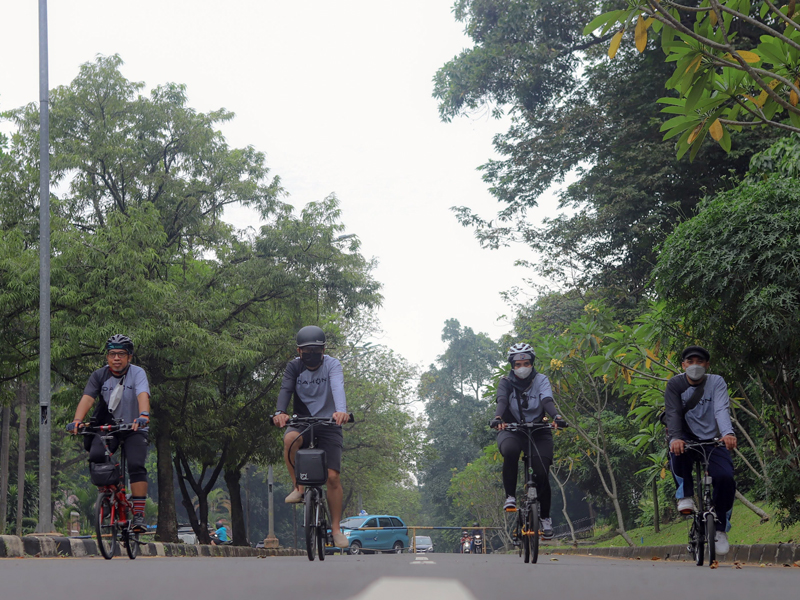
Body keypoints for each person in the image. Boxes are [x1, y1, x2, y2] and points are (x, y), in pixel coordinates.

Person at [272, 326, 350, 549]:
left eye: (317, 349)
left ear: (324, 349)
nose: (312, 353)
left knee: (333, 477)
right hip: (302, 420)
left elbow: (337, 388)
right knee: (289, 440)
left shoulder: (332, 365)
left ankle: (335, 529)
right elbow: (286, 389)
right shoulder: (294, 368)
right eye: (307, 350)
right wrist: (280, 413)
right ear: (299, 351)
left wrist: (341, 411)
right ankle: (298, 488)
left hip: (329, 422)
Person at [67, 334, 151, 532]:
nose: (116, 358)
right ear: (107, 357)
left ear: (129, 357)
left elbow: (142, 394)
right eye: (112, 354)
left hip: (134, 427)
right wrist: (77, 421)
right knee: (97, 456)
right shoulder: (99, 375)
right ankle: (108, 496)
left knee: (136, 465)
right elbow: (88, 398)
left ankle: (138, 514)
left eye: (121, 354)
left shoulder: (137, 373)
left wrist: (143, 415)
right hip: (110, 426)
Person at [665, 345, 737, 555]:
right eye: (690, 361)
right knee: (676, 450)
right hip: (685, 436)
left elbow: (721, 408)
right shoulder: (675, 384)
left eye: (699, 361)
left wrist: (728, 433)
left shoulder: (716, 382)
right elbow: (673, 413)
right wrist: (676, 437)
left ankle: (720, 528)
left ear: (706, 365)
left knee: (725, 477)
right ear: (683, 365)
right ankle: (685, 495)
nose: (694, 365)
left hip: (713, 438)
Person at [492, 342, 561, 540]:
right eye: (517, 364)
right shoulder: (505, 381)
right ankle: (510, 497)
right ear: (512, 366)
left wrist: (556, 417)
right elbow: (502, 401)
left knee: (541, 471)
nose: (522, 367)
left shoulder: (541, 380)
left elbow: (547, 400)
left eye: (526, 363)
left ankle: (545, 518)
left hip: (539, 430)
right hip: (512, 429)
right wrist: (498, 419)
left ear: (532, 363)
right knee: (511, 451)